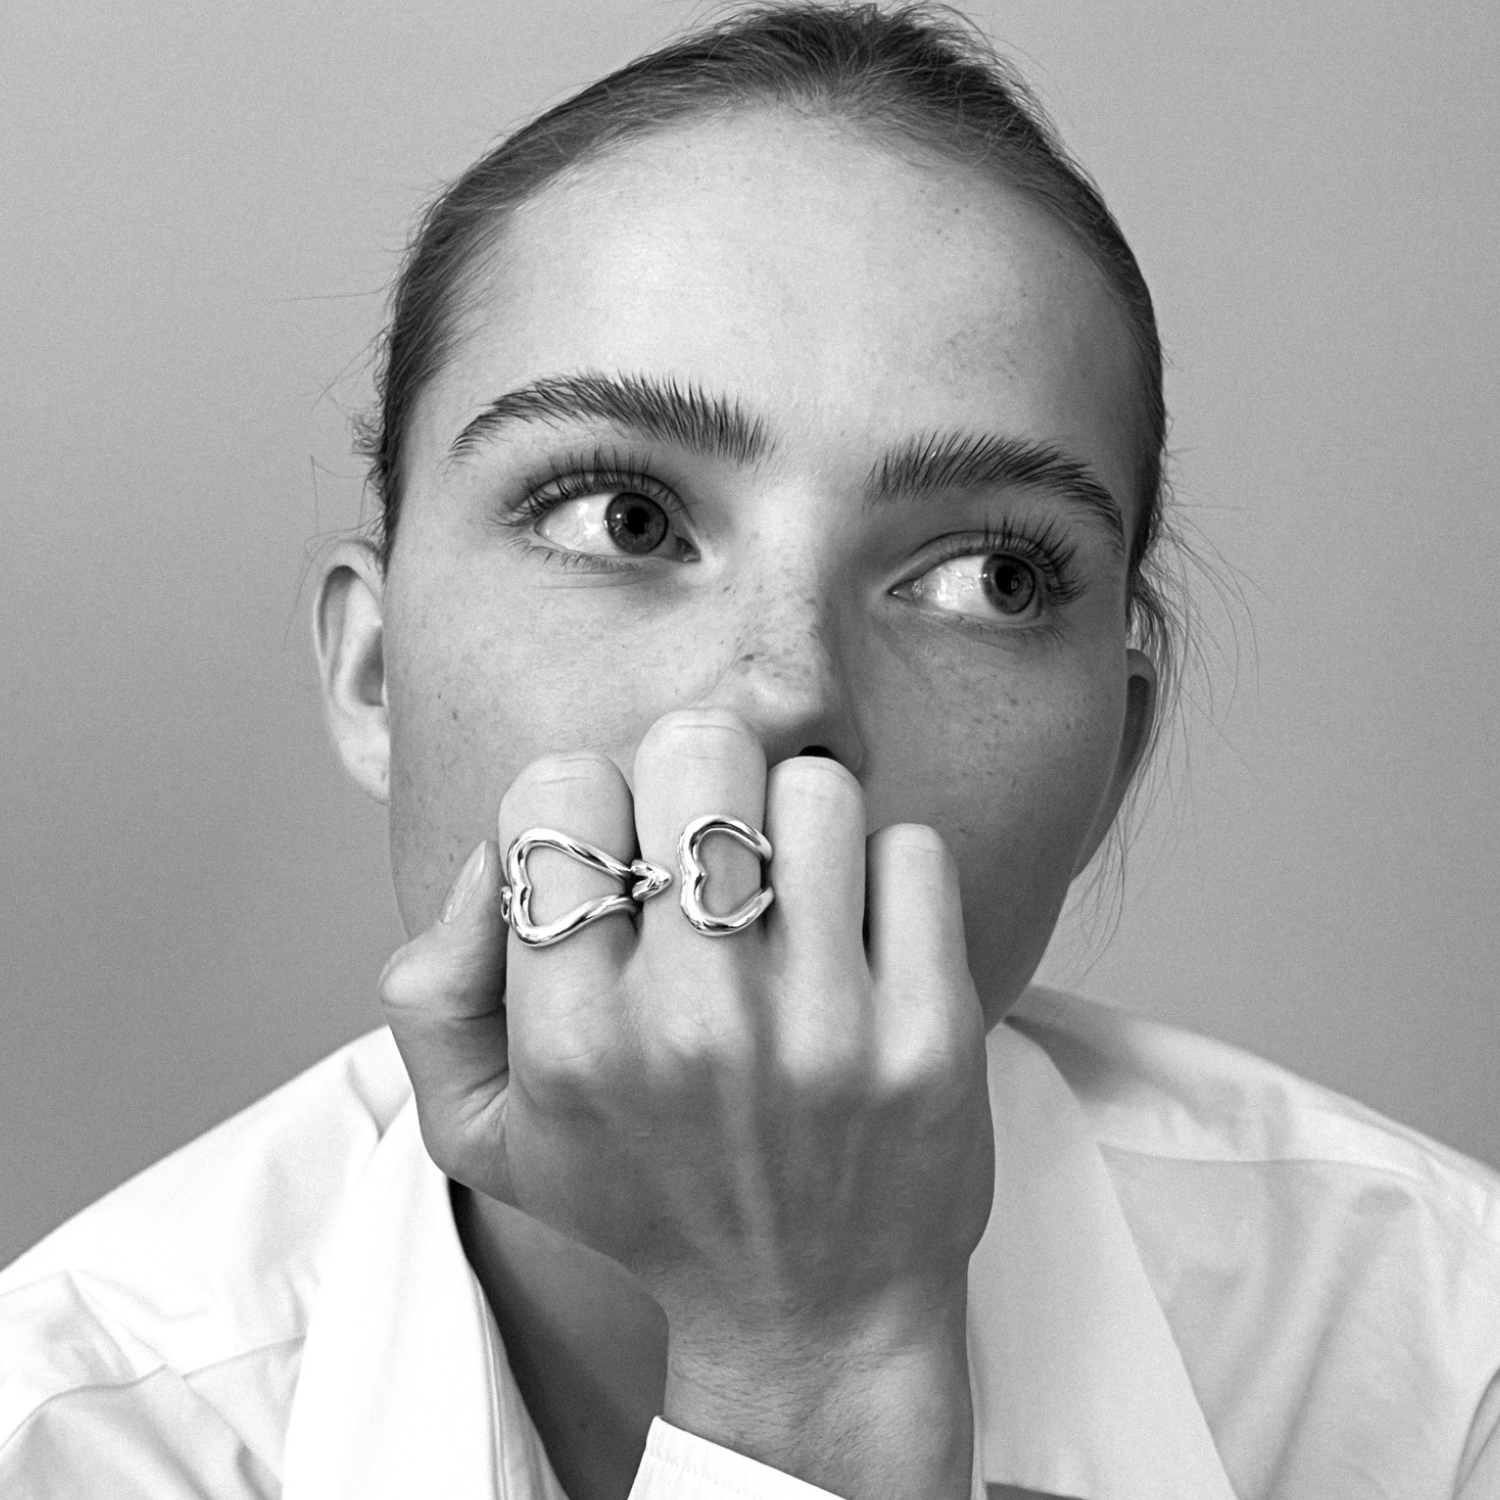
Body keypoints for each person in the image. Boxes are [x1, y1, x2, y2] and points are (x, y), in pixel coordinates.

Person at [2, 4, 1497, 1497]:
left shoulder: (1445, 1376)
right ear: (375, 670)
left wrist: (817, 1353)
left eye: (991, 577)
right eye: (624, 517)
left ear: (1114, 765)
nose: (786, 694)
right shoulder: (71, 1437)